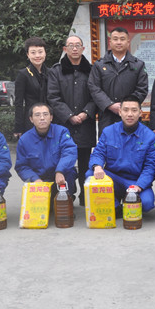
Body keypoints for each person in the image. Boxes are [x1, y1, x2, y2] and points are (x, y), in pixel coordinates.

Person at [88, 95, 155, 214]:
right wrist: (97, 166)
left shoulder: (149, 136)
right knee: (91, 174)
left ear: (140, 113)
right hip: (113, 179)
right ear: (120, 112)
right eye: (126, 110)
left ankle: (122, 202)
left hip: (135, 180)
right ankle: (116, 205)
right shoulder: (108, 131)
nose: (130, 114)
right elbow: (98, 153)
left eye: (134, 110)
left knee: (147, 203)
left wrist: (139, 186)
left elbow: (150, 167)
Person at [47, 34, 97, 205]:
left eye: (78, 45)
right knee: (63, 162)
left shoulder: (92, 70)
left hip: (85, 124)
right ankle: (66, 195)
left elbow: (96, 95)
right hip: (63, 125)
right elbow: (53, 97)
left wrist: (86, 113)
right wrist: (69, 116)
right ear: (65, 49)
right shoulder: (56, 71)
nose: (74, 48)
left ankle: (85, 196)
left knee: (85, 163)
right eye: (71, 45)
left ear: (83, 48)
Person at [88, 27, 148, 134]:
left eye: (122, 39)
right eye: (115, 39)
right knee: (108, 142)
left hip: (130, 116)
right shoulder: (99, 65)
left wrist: (126, 107)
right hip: (107, 116)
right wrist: (110, 105)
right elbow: (94, 88)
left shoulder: (138, 65)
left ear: (128, 42)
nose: (119, 42)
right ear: (110, 42)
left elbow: (142, 89)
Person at [15, 102, 78, 198]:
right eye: (37, 115)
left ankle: (67, 197)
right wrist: (35, 179)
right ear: (31, 119)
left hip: (60, 176)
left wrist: (60, 171)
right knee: (40, 206)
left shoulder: (61, 132)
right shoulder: (24, 140)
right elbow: (22, 166)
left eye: (45, 114)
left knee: (69, 172)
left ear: (51, 117)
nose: (42, 118)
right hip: (39, 179)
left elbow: (69, 153)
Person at [14, 37, 49, 138]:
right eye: (33, 52)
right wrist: (18, 127)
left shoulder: (51, 73)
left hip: (50, 119)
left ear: (45, 53)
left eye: (40, 52)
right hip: (31, 120)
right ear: (28, 55)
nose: (37, 55)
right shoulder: (23, 74)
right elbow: (18, 103)